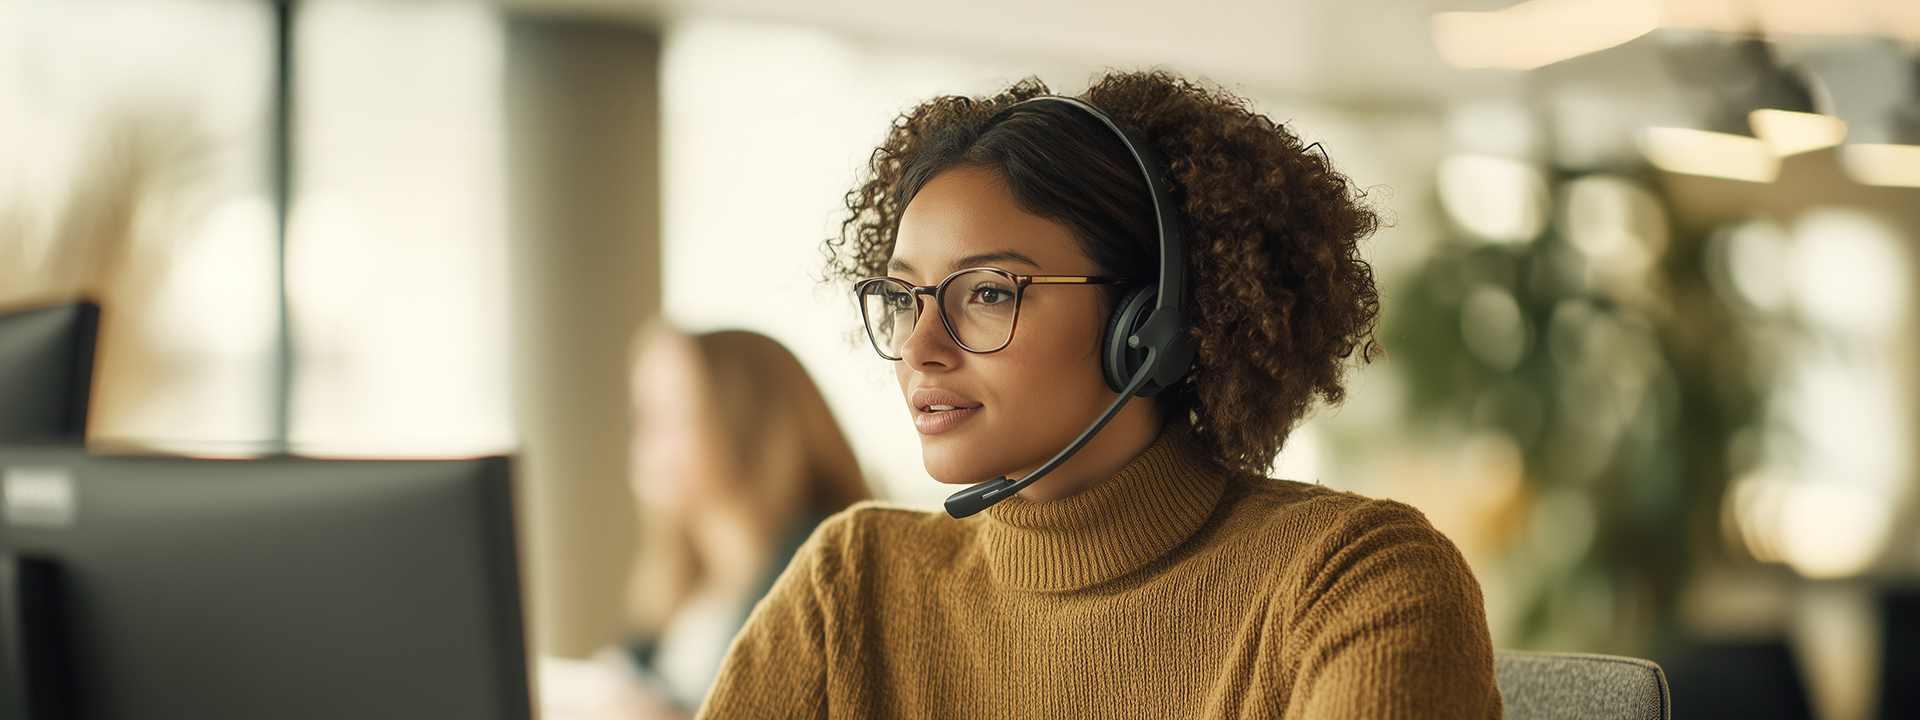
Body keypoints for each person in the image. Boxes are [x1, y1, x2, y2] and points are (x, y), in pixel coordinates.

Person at [696, 71, 1501, 718]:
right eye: (905, 298)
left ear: (1147, 324)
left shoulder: (1350, 578)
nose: (918, 347)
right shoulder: (851, 585)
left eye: (987, 293)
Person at [550, 325, 871, 720]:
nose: (642, 437)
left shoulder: (829, 570)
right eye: (641, 413)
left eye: (672, 413)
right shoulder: (679, 582)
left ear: (748, 419)